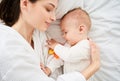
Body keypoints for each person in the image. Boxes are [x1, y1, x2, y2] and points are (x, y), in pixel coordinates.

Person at [0, 0, 100, 81]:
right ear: (25, 3)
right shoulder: (6, 43)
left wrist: (48, 69)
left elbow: (58, 62)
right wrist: (94, 66)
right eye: (48, 9)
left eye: (55, 11)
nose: (54, 18)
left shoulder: (44, 38)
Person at [41, 8, 93, 76]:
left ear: (81, 29)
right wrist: (49, 69)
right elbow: (60, 58)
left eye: (65, 32)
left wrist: (56, 46)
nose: (63, 36)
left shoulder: (86, 45)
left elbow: (69, 55)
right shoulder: (68, 45)